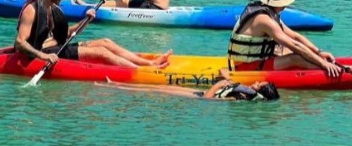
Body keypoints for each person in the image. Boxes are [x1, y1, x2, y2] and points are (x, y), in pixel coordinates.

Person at [15, 0, 172, 68]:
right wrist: (44, 56)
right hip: (43, 53)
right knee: (101, 53)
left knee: (105, 42)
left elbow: (66, 34)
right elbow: (20, 42)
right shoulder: (32, 9)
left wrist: (86, 20)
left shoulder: (54, 8)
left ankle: (148, 63)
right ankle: (142, 70)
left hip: (58, 48)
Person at [227, 0, 345, 78]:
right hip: (246, 68)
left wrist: (318, 52)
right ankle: (332, 72)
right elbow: (295, 45)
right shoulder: (265, 20)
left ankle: (326, 67)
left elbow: (295, 36)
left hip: (257, 60)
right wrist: (323, 63)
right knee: (296, 58)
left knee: (287, 50)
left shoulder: (269, 13)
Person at [96, 69, 280, 101]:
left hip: (199, 96)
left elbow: (208, 99)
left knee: (154, 89)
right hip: (198, 92)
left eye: (259, 84)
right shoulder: (243, 91)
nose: (256, 82)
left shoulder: (239, 97)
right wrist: (225, 76)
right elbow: (229, 83)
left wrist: (218, 85)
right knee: (160, 87)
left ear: (260, 92)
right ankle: (116, 84)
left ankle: (112, 86)